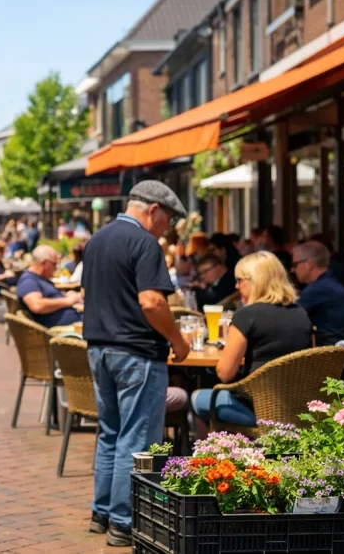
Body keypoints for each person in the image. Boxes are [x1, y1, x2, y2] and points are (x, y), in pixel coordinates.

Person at [82, 181, 191, 547]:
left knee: (110, 434)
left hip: (99, 349)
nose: (167, 228)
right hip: (136, 352)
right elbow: (151, 301)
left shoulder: (97, 239)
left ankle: (102, 513)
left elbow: (89, 293)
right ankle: (123, 521)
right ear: (152, 210)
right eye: (168, 219)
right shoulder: (144, 243)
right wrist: (177, 339)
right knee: (136, 439)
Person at [191, 251, 312, 434]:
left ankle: (214, 457)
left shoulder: (246, 316)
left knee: (196, 398)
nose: (236, 285)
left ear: (255, 281)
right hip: (295, 408)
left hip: (255, 409)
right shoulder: (301, 314)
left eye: (240, 280)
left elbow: (224, 373)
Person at [293, 241, 344, 346]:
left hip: (330, 354)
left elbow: (289, 317)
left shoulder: (319, 289)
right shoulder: (330, 283)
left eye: (295, 264)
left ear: (308, 263)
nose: (292, 269)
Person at [16, 246, 81, 328]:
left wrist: (66, 295)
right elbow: (37, 305)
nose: (55, 268)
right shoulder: (29, 281)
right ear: (44, 263)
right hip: (63, 330)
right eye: (54, 264)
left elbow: (51, 296)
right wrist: (67, 301)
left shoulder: (40, 278)